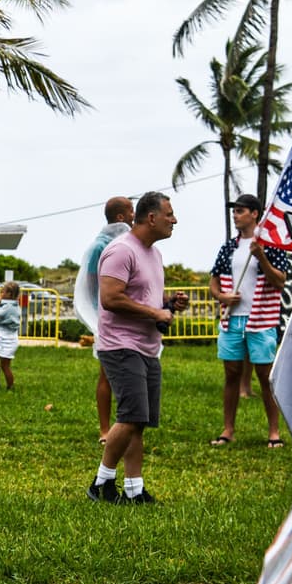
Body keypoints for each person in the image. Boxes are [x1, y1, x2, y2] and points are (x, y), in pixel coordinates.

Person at [85, 192, 188, 505]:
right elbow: (111, 298)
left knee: (139, 421)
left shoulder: (154, 254)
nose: (175, 220)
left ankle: (134, 489)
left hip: (146, 346)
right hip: (120, 345)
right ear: (152, 217)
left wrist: (168, 304)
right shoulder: (120, 250)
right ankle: (101, 483)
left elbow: (143, 299)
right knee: (130, 416)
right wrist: (156, 313)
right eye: (169, 214)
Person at [208, 193, 289, 448]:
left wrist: (261, 256)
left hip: (262, 319)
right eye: (234, 211)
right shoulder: (228, 246)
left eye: (240, 211)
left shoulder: (270, 244)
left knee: (265, 376)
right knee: (231, 374)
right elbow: (214, 279)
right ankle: (228, 430)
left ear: (255, 213)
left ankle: (274, 432)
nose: (235, 215)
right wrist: (222, 295)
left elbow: (280, 281)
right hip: (232, 320)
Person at [78, 196, 133, 442]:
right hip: (107, 318)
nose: (135, 215)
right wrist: (98, 315)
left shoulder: (129, 243)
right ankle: (104, 429)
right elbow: (90, 285)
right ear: (120, 216)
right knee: (107, 374)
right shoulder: (100, 246)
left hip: (127, 318)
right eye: (131, 211)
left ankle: (126, 424)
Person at [0, 281, 21, 390]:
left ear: (10, 294)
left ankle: (10, 387)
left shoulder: (8, 307)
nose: (1, 294)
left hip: (9, 340)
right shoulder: (9, 305)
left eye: (3, 292)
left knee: (4, 365)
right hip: (3, 338)